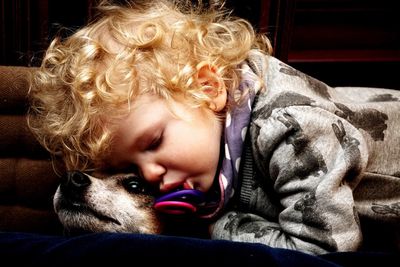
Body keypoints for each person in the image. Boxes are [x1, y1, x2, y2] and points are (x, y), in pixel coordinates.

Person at [28, 0, 400, 255]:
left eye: (154, 142)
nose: (154, 175)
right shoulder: (203, 151)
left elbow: (326, 249)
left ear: (208, 89)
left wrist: (217, 226)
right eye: (136, 174)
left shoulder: (291, 131)